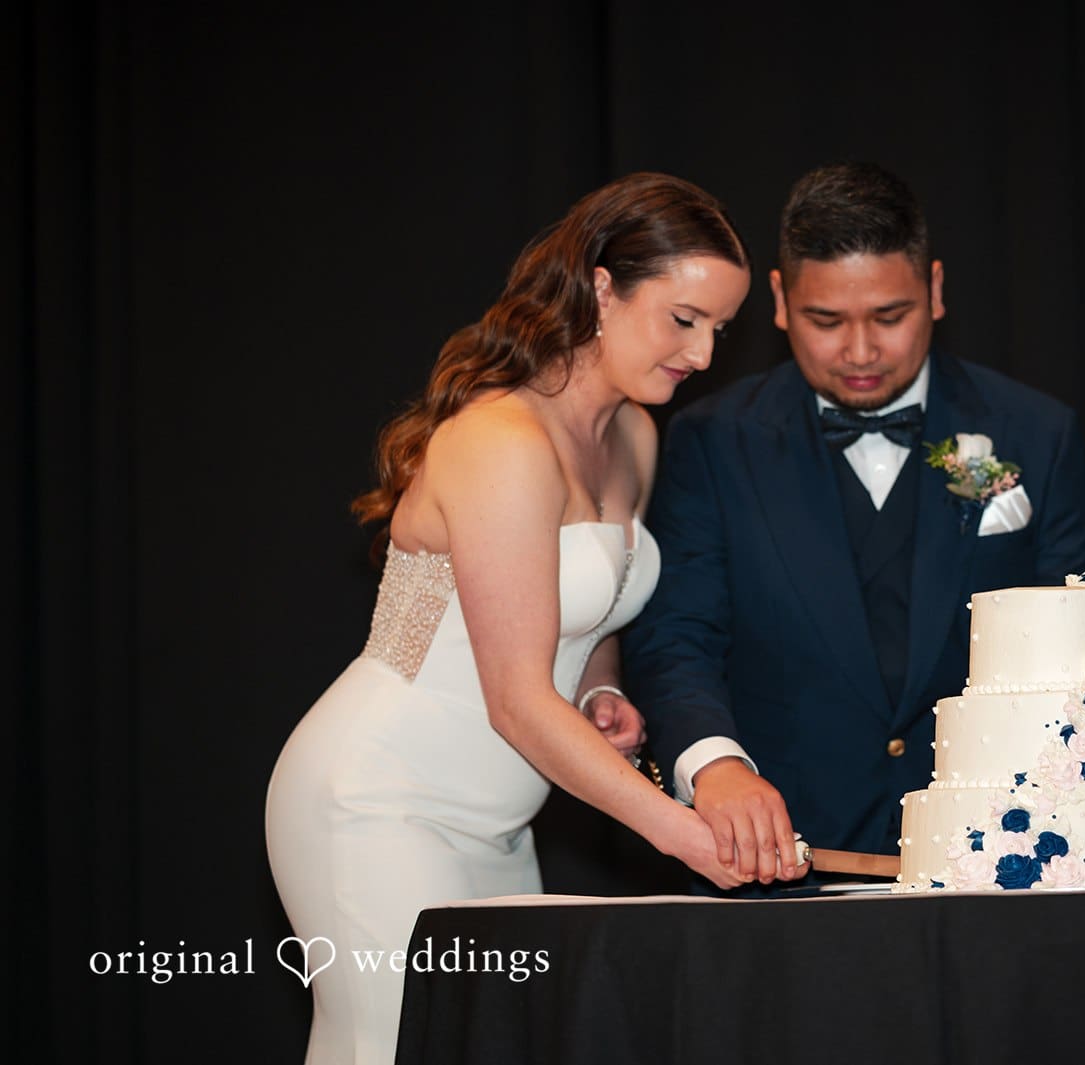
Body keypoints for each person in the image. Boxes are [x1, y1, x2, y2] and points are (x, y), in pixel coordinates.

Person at [265, 172, 797, 1065]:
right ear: (600, 286)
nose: (704, 356)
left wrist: (600, 685)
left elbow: (583, 613)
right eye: (683, 319)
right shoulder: (500, 440)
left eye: (720, 329)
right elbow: (514, 697)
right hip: (377, 803)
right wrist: (682, 831)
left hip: (501, 821)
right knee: (387, 1048)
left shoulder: (633, 433)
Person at [623, 162, 1085, 888]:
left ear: (936, 291)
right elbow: (676, 638)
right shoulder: (709, 442)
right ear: (781, 301)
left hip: (1002, 862)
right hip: (777, 868)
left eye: (889, 316)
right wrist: (714, 765)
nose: (859, 351)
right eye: (826, 321)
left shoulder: (1037, 434)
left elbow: (1081, 647)